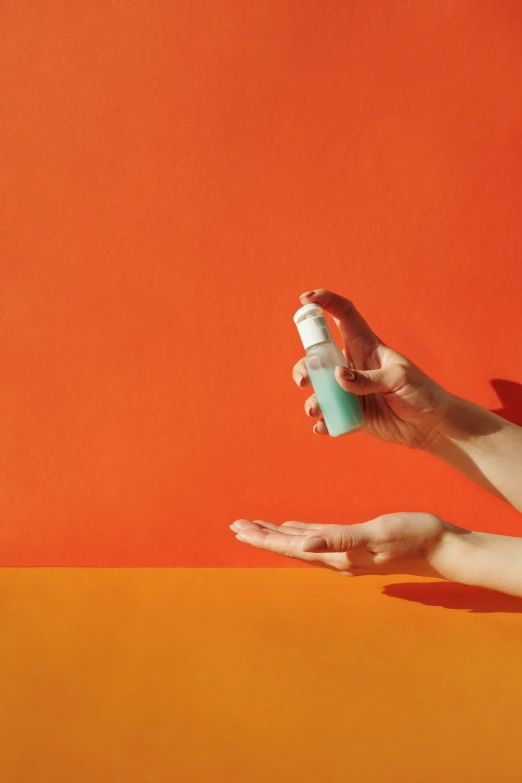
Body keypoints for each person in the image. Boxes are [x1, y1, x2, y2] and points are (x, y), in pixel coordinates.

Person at [230, 289, 522, 598]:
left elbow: (441, 549)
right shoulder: (321, 354)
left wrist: (440, 550)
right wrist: (434, 425)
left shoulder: (323, 352)